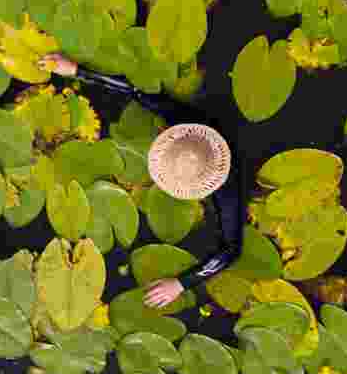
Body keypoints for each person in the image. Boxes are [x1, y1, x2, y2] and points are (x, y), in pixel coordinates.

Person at [37, 53, 245, 310]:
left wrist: (181, 283)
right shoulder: (189, 121)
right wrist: (77, 70)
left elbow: (231, 250)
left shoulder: (227, 188)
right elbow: (135, 91)